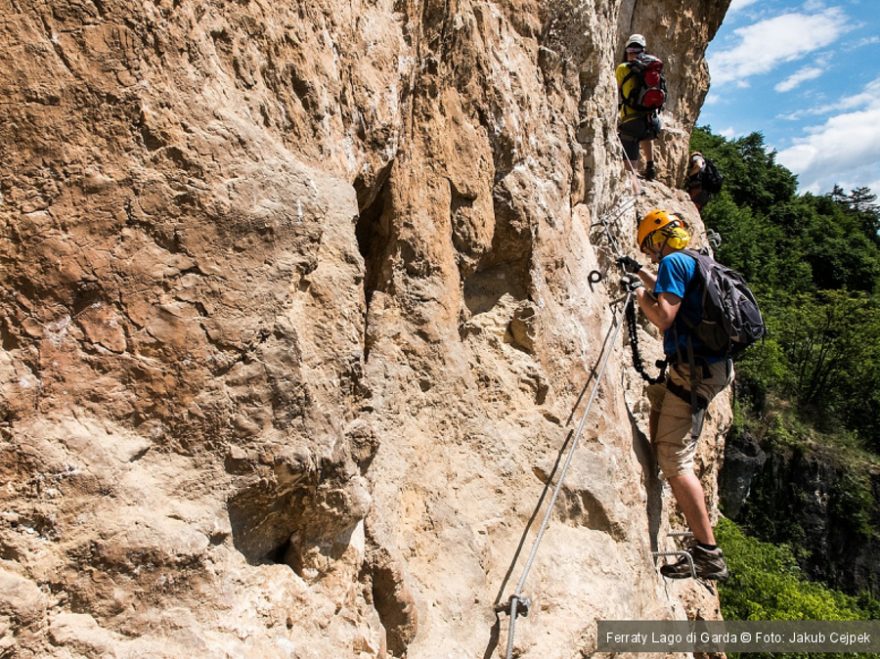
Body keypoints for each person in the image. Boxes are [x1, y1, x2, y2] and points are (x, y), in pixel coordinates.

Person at [618, 209, 732, 580]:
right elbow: (671, 291)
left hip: (695, 372)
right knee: (658, 398)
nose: (651, 255)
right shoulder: (693, 259)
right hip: (709, 366)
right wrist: (640, 273)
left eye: (650, 247)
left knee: (675, 459)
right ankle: (704, 546)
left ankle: (708, 554)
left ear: (659, 239)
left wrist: (637, 294)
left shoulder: (672, 262)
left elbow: (665, 316)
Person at [615, 34, 661, 181]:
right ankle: (650, 165)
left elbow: (614, 91)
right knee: (646, 135)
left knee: (630, 172)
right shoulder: (653, 70)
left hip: (631, 120)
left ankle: (633, 182)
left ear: (628, 51)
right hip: (651, 120)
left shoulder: (623, 68)